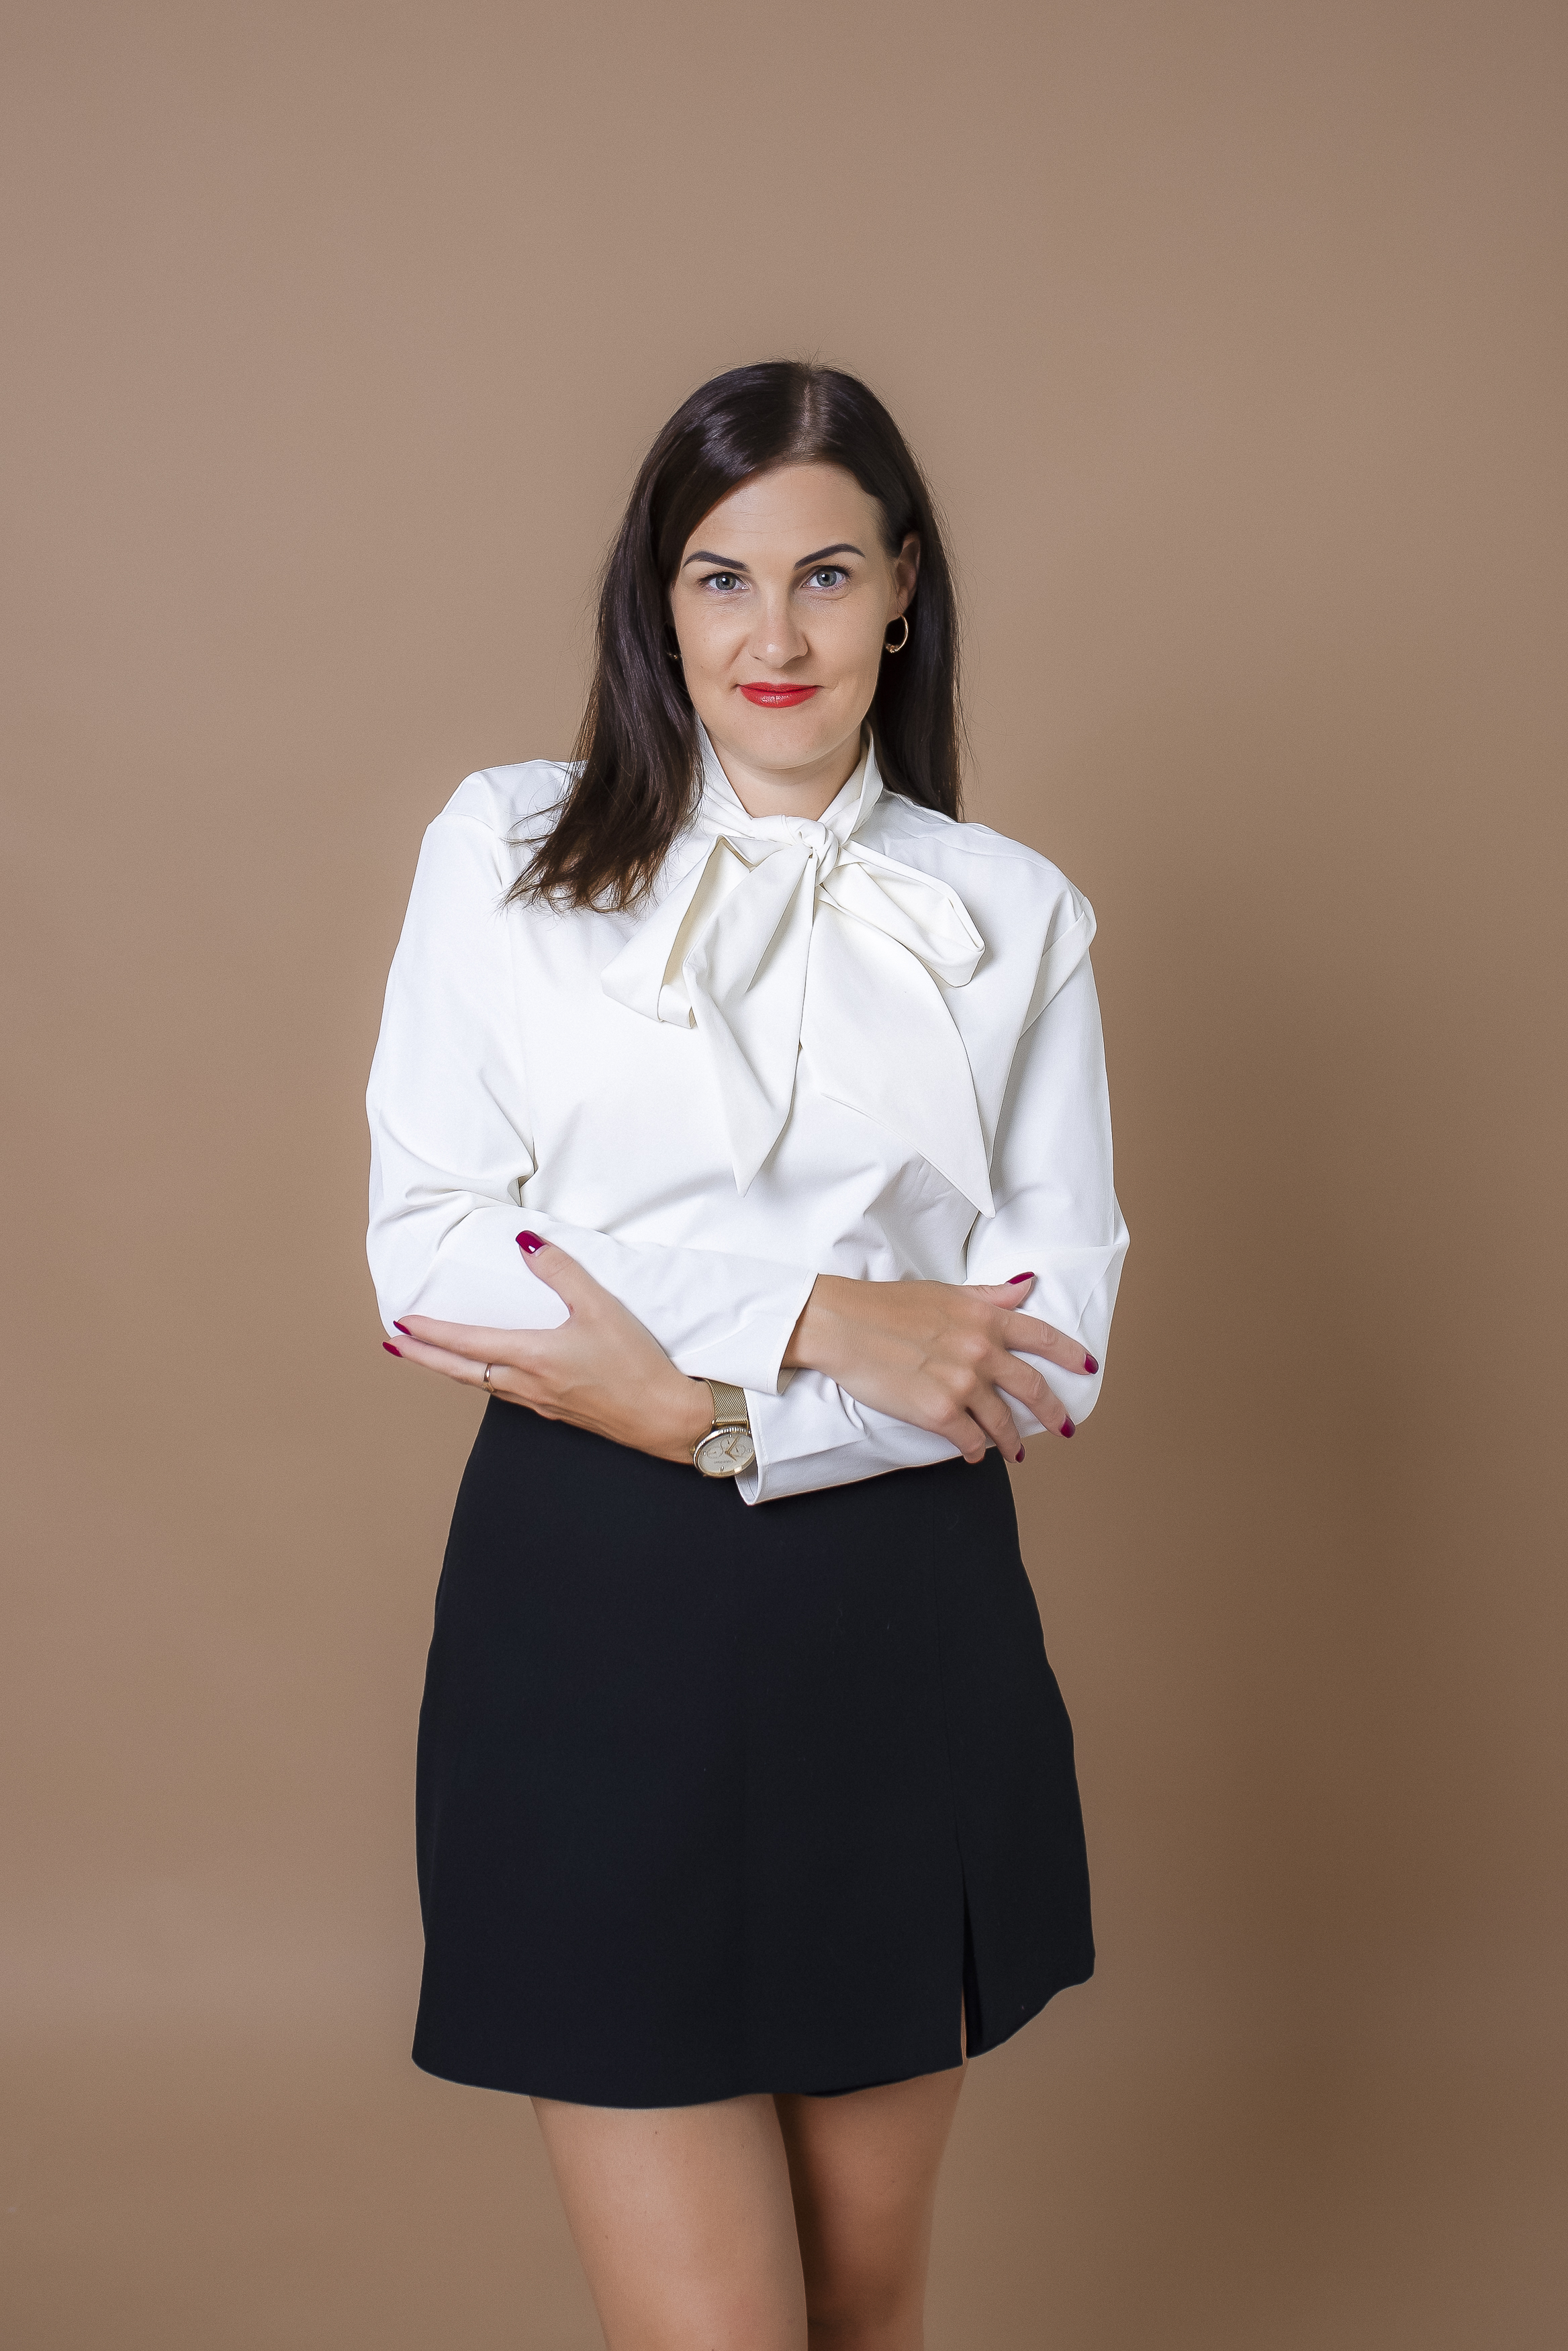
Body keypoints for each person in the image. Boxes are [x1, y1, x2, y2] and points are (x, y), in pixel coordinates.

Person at [366, 360, 1129, 2351]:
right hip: (590, 1636)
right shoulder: (505, 847)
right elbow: (433, 1248)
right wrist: (821, 1317)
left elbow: (1042, 1359)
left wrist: (700, 1404)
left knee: (865, 2308)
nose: (772, 634)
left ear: (905, 588)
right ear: (661, 599)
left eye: (825, 574)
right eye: (721, 578)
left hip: (901, 1637)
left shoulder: (1015, 913)